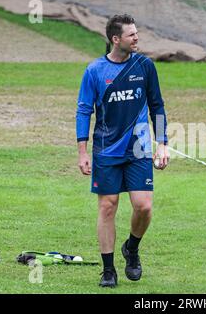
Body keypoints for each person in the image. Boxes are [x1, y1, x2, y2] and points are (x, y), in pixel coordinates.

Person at [76, 14, 169, 288]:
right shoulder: (94, 71)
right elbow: (84, 110)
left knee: (144, 206)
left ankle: (132, 248)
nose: (137, 38)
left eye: (137, 33)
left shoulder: (145, 66)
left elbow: (157, 106)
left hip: (139, 147)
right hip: (106, 150)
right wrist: (82, 152)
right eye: (131, 35)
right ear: (115, 39)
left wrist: (162, 143)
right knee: (108, 206)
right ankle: (108, 270)